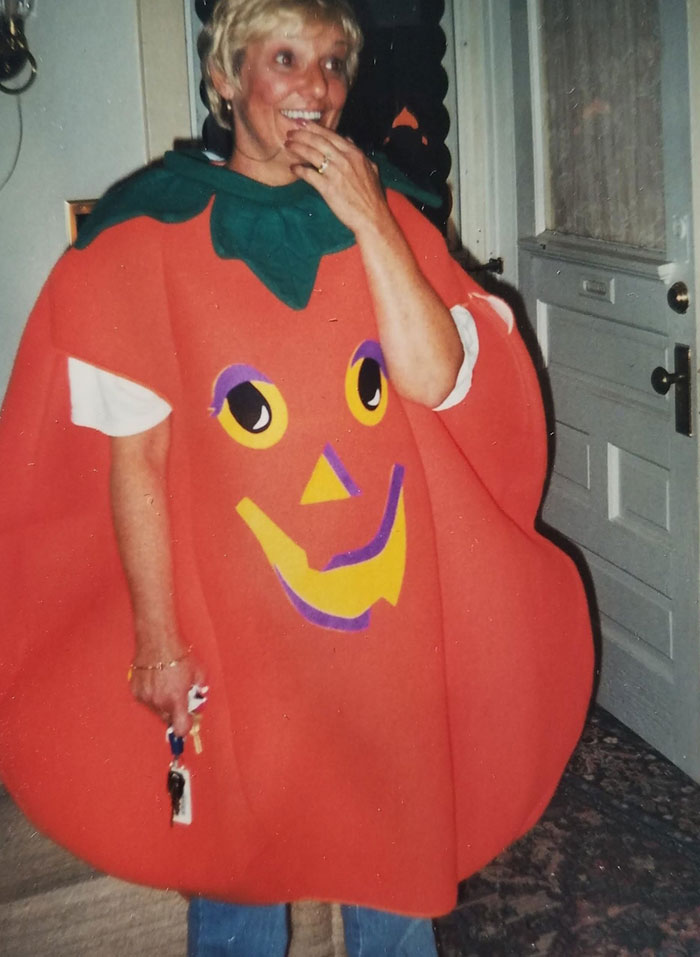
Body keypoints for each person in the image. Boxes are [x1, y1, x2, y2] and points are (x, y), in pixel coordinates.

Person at [0, 0, 593, 955]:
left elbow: (436, 377)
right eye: (285, 59)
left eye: (331, 65)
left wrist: (369, 218)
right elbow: (137, 456)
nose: (314, 88)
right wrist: (157, 635)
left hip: (380, 623)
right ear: (227, 78)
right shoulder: (146, 232)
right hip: (233, 619)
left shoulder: (388, 213)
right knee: (239, 866)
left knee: (392, 857)